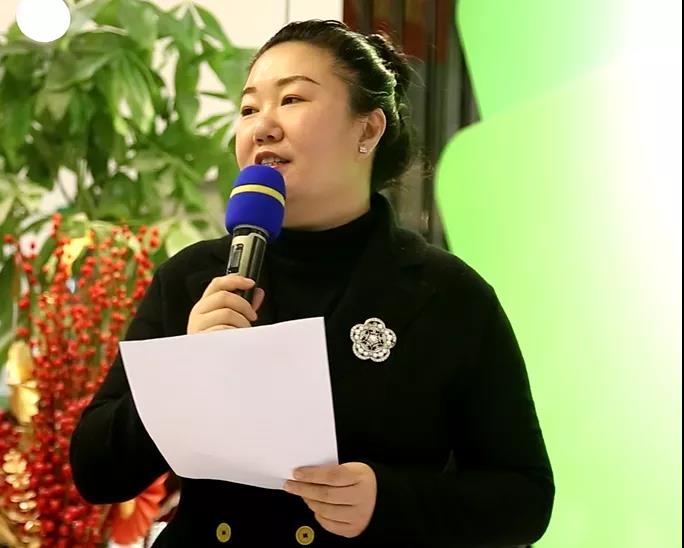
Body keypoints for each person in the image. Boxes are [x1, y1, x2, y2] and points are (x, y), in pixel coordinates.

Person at [70, 19, 554, 547]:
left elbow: (524, 499)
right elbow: (95, 472)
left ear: (367, 130)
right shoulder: (193, 277)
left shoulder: (447, 294)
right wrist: (188, 371)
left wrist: (389, 500)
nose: (262, 126)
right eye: (248, 108)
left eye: (292, 99)